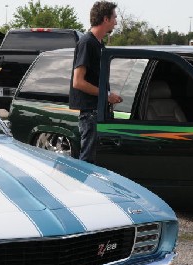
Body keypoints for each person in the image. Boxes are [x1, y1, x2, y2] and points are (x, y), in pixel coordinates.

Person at [69, 1, 122, 164]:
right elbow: (78, 82)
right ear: (105, 19)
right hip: (90, 114)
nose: (116, 21)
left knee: (97, 162)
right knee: (87, 161)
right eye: (114, 17)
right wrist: (106, 96)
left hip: (97, 111)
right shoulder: (87, 43)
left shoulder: (99, 44)